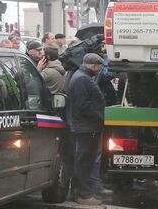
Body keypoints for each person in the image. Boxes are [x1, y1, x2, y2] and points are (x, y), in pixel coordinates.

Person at [65, 53, 106, 206]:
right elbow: (82, 105)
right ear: (94, 66)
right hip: (86, 127)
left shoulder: (81, 76)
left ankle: (80, 191)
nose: (100, 70)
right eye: (99, 67)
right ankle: (82, 194)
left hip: (85, 126)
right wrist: (100, 116)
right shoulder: (82, 79)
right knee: (84, 161)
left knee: (84, 160)